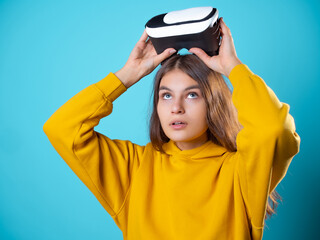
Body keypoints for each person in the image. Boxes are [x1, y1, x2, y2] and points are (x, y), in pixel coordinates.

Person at [43, 18, 300, 240]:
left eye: (191, 95)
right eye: (166, 96)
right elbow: (62, 128)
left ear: (214, 103)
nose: (175, 107)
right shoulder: (134, 168)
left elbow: (273, 129)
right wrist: (127, 75)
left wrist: (233, 68)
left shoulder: (241, 170)